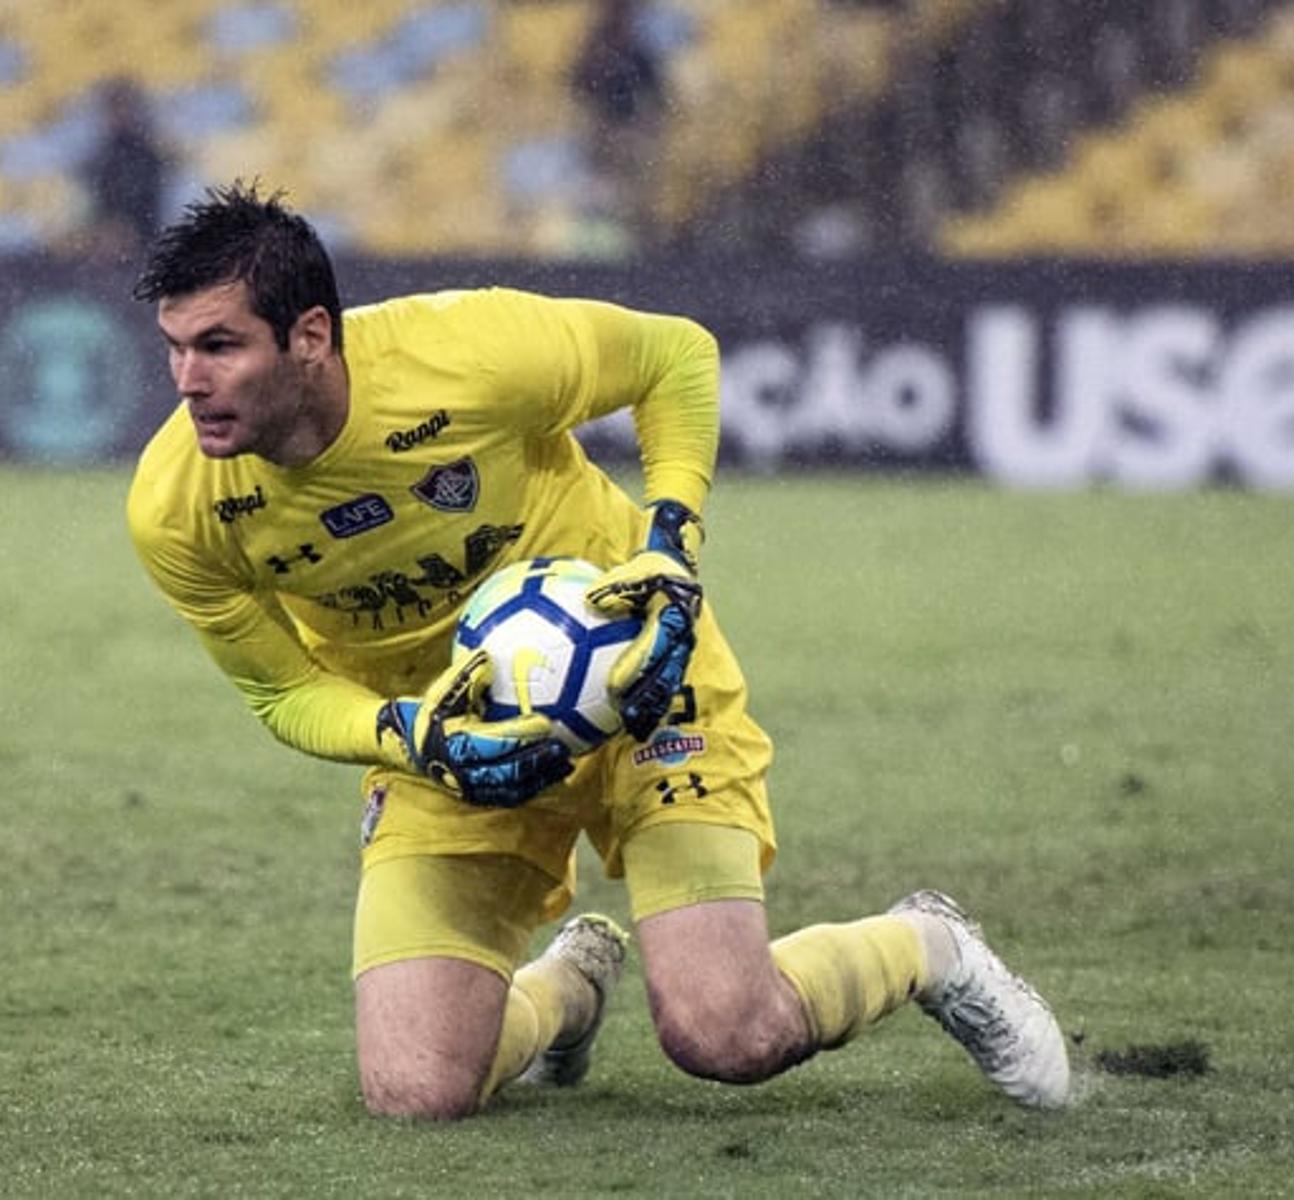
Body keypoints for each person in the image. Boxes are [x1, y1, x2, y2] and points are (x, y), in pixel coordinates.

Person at [125, 182, 1071, 1120]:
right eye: (175, 348)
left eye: (219, 346)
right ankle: (568, 992)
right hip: (453, 742)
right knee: (417, 1092)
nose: (188, 381)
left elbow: (676, 357)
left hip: (642, 684)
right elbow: (283, 695)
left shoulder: (467, 351)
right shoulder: (176, 509)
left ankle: (927, 946)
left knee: (725, 1033)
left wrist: (670, 547)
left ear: (311, 336)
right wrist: (416, 738)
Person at [569, 0, 668, 248]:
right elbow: (576, 91)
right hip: (600, 131)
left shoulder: (638, 55)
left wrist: (641, 127)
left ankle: (630, 238)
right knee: (599, 191)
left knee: (629, 192)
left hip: (630, 132)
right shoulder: (593, 52)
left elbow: (658, 98)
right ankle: (594, 241)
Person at [79, 78, 169, 263]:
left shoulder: (148, 154)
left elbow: (148, 197)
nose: (118, 116)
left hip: (142, 238)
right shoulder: (100, 154)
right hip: (116, 236)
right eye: (113, 110)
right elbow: (95, 198)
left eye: (123, 108)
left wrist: (128, 226)